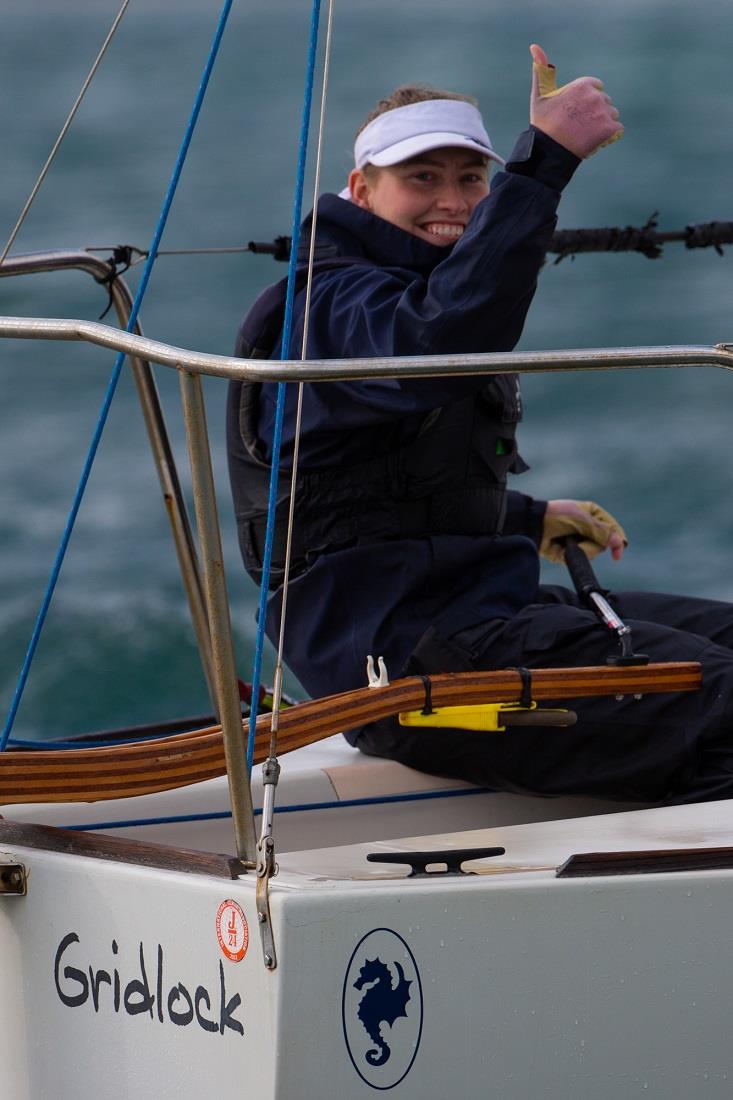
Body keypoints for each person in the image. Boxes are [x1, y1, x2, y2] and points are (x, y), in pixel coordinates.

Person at [228, 45, 733, 806]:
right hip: (405, 669)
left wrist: (527, 518)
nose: (452, 199)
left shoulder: (400, 287)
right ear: (361, 191)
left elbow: (377, 482)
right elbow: (437, 339)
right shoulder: (334, 306)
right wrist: (544, 164)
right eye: (420, 178)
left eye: (471, 178)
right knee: (723, 697)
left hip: (472, 615)